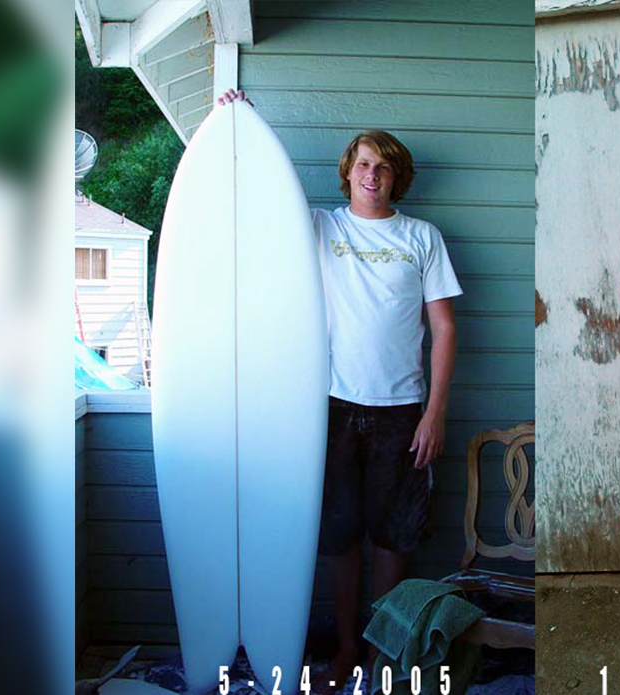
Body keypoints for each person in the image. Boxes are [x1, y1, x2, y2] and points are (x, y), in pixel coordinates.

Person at [217, 90, 462, 693]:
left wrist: (435, 411)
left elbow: (445, 327)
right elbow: (255, 200)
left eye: (381, 166)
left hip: (403, 411)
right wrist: (236, 123)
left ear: (395, 176)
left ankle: (384, 653)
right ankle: (348, 650)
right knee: (338, 534)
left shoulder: (422, 237)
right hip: (327, 408)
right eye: (362, 164)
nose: (371, 174)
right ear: (347, 173)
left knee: (394, 536)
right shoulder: (319, 226)